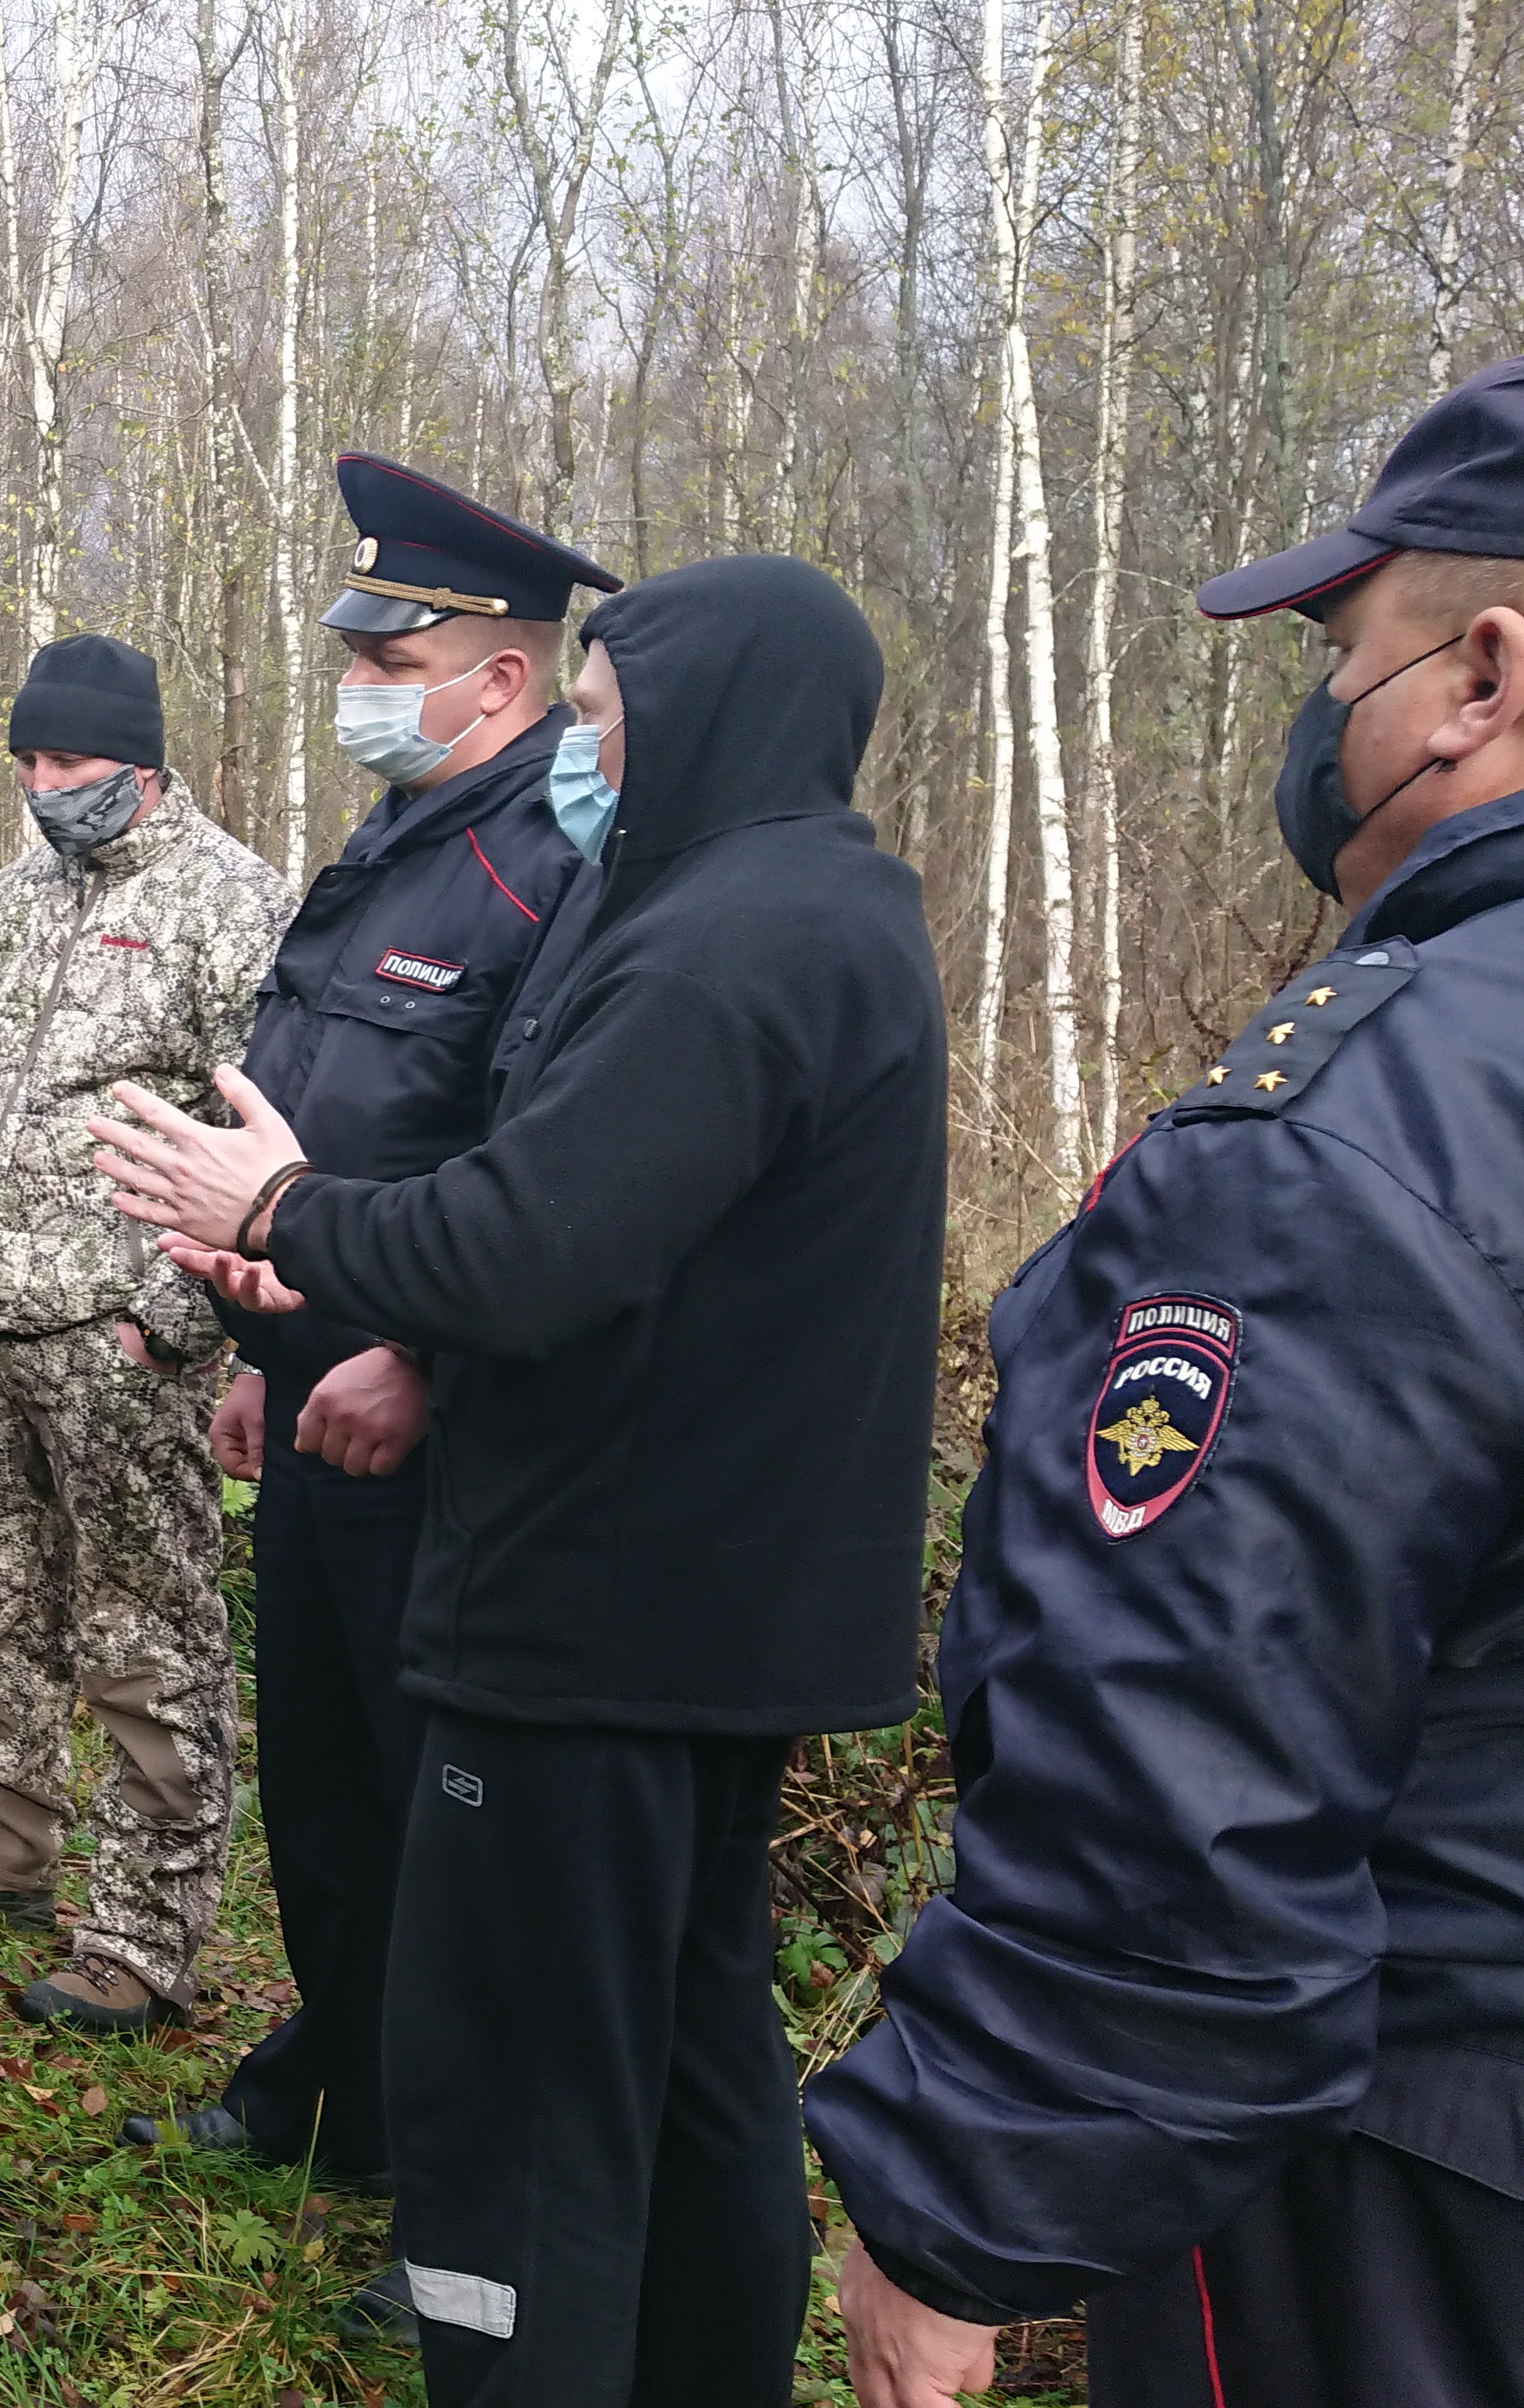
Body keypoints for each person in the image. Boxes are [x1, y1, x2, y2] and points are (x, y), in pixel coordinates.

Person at [91, 553, 944, 2401]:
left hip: (596, 1614)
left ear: (705, 718)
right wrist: (344, 1302)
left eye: (609, 715)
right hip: (684, 1607)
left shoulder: (732, 945)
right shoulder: (786, 910)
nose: (589, 750)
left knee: (522, 2098)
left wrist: (282, 1207)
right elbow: (619, 1240)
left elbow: (531, 1238)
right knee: (684, 2057)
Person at [810, 360, 1524, 2408]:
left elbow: (1189, 1753)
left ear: (1481, 677)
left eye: (1338, 653)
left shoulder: (1361, 1136)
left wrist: (960, 2204)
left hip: (1406, 2178)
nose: (1321, 712)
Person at [133, 458, 617, 2327]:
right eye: (354, 654)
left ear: (498, 679)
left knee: (450, 1821)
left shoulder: (550, 869)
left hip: (446, 1434)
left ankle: (469, 2199)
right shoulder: (390, 845)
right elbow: (318, 1113)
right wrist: (270, 1355)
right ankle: (346, 2081)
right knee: (326, 1789)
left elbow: (545, 1172)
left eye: (389, 660)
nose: (357, 684)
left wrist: (415, 1354)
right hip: (311, 1398)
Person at [0, 635, 289, 2036]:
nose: (46, 786)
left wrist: (173, 1318)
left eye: (71, 762)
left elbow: (268, 1132)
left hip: (115, 1342)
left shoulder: (231, 904)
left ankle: (142, 1933)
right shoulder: (7, 898)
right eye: (28, 763)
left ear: (143, 765)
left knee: (144, 1631)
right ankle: (3, 1844)